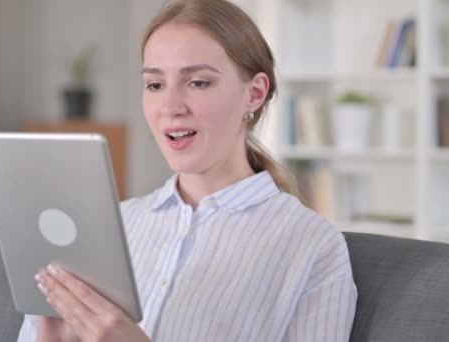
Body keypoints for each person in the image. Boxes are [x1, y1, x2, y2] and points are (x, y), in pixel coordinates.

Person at [18, 0, 357, 340]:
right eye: (155, 85)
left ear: (254, 94)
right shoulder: (108, 227)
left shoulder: (312, 246)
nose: (170, 107)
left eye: (197, 83)